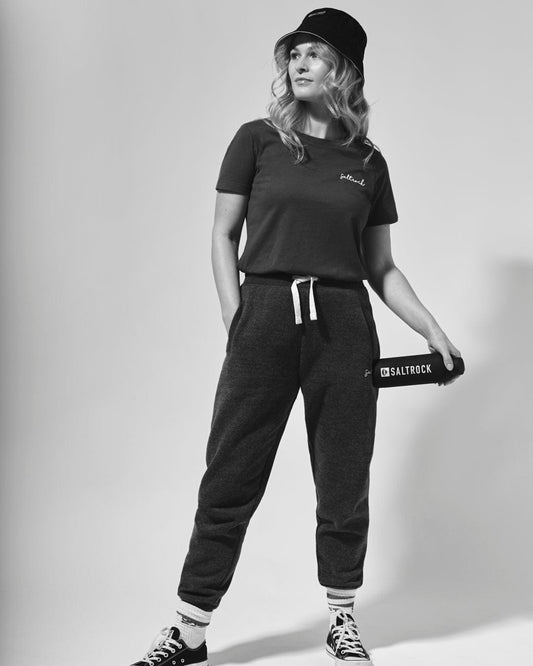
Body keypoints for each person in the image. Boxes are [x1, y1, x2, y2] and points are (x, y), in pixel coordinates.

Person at [129, 7, 462, 666]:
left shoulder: (366, 162)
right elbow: (223, 234)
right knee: (229, 476)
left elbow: (380, 267)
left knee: (342, 482)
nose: (300, 64)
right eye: (294, 53)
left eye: (316, 54)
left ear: (344, 69)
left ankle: (341, 622)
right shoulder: (256, 140)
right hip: (266, 314)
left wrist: (433, 331)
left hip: (343, 324)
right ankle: (189, 632)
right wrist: (238, 319)